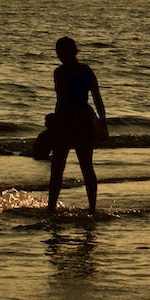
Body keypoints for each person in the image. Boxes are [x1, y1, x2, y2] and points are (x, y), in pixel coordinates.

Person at [48, 36, 108, 215]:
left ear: (63, 53)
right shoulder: (87, 71)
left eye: (59, 52)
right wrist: (102, 122)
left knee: (58, 167)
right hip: (85, 119)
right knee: (87, 167)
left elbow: (62, 100)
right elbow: (97, 98)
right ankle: (92, 207)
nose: (58, 56)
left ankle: (51, 207)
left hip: (68, 119)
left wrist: (55, 124)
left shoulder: (60, 72)